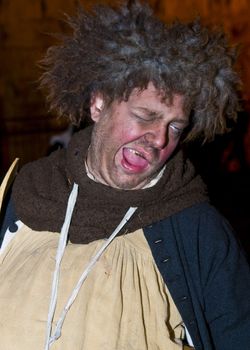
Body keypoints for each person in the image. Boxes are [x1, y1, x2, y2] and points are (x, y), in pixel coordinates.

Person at [0, 1, 249, 349]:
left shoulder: (197, 230)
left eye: (175, 126)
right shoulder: (20, 196)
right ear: (99, 104)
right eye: (146, 115)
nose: (161, 139)